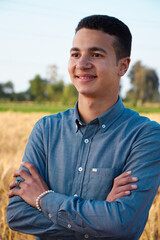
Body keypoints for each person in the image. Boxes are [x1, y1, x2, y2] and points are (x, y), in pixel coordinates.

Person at [7, 15, 160, 240]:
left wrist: (42, 199)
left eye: (96, 54)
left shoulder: (145, 136)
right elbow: (17, 214)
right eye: (75, 54)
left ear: (123, 66)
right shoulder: (46, 130)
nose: (82, 64)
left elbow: (123, 224)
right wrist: (100, 220)